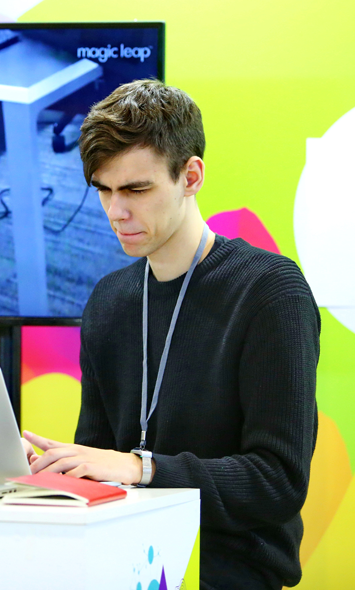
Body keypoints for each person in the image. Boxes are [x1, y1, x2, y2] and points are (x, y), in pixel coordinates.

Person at [22, 79, 320, 590]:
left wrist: (142, 468)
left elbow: (278, 481)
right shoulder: (109, 300)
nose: (116, 211)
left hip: (226, 571)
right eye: (104, 189)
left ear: (191, 176)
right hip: (121, 561)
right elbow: (99, 461)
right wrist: (59, 472)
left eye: (136, 189)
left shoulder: (271, 290)